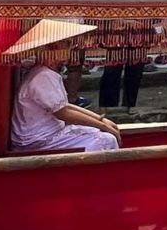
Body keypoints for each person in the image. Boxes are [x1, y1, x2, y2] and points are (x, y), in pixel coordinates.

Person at [9, 21, 120, 152]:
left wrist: (101, 120)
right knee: (107, 139)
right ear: (53, 47)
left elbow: (64, 106)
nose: (70, 49)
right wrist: (103, 125)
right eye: (67, 44)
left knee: (101, 132)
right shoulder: (43, 76)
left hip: (47, 133)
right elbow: (63, 113)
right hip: (37, 139)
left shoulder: (45, 72)